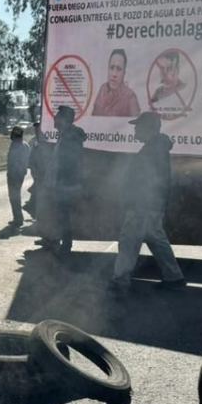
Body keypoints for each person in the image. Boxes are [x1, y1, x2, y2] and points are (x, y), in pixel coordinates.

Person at [111, 112, 185, 289]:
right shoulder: (155, 147)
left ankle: (120, 280)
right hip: (150, 205)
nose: (135, 129)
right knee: (156, 241)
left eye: (138, 126)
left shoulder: (153, 150)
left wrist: (136, 202)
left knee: (129, 242)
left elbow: (147, 181)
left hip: (142, 206)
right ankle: (174, 278)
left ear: (148, 128)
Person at [52, 105, 87, 253]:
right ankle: (60, 241)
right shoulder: (65, 135)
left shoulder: (70, 137)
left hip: (67, 183)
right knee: (61, 214)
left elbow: (70, 162)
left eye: (58, 116)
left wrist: (61, 181)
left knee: (64, 215)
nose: (55, 118)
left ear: (65, 120)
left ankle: (65, 245)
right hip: (64, 182)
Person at [93, 49, 141, 117]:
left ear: (124, 73)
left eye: (119, 69)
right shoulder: (102, 89)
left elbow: (138, 125)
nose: (114, 74)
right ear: (108, 69)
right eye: (112, 68)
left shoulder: (130, 97)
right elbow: (93, 121)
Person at [6, 126, 31, 227]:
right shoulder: (24, 145)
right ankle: (17, 217)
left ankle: (18, 218)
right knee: (15, 196)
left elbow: (16, 161)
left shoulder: (18, 145)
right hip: (18, 173)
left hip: (15, 174)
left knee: (14, 196)